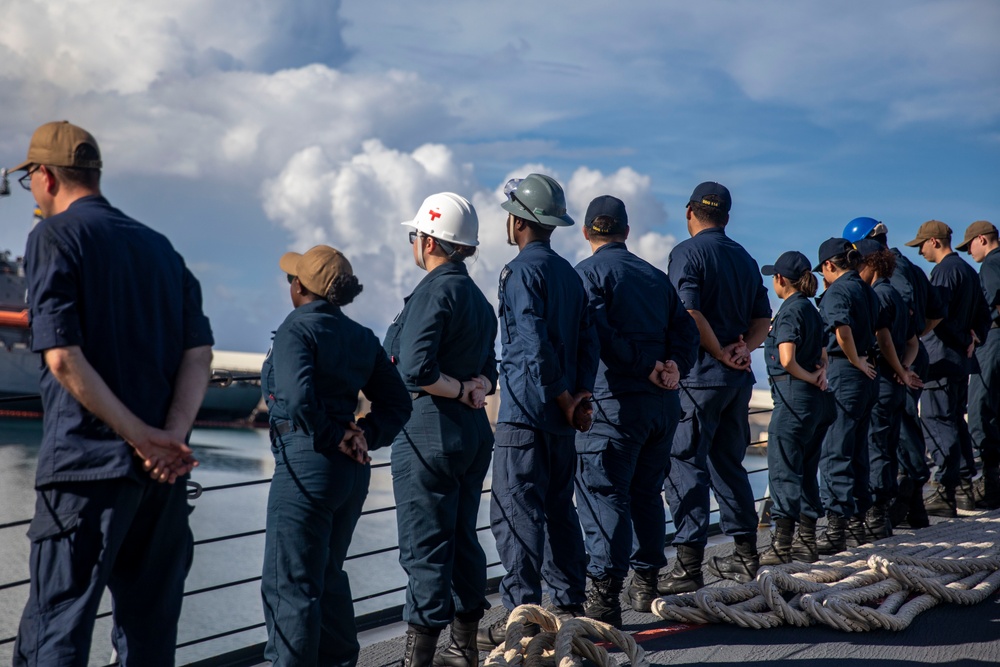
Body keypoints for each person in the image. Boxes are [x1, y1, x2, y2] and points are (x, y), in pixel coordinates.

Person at [10, 121, 214, 666]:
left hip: (84, 471)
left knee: (56, 629)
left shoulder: (52, 237)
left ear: (45, 176)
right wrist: (168, 438)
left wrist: (140, 438)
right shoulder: (162, 250)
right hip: (163, 482)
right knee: (149, 636)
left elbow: (61, 356)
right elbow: (200, 355)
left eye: (29, 177)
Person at [261, 245, 411, 667]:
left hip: (307, 465)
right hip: (350, 474)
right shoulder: (362, 337)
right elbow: (398, 403)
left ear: (299, 287)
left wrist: (332, 436)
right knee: (327, 577)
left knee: (289, 584)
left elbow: (296, 397)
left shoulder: (296, 329)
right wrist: (363, 434)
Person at [481, 173, 599, 649]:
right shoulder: (570, 275)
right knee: (558, 510)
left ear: (519, 220)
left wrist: (559, 395)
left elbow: (529, 344)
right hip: (562, 421)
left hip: (526, 416)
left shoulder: (518, 273)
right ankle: (569, 605)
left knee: (515, 513)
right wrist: (579, 398)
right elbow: (589, 344)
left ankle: (522, 616)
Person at [383, 193, 498, 667]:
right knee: (461, 537)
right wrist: (474, 388)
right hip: (471, 437)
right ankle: (463, 647)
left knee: (425, 545)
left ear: (429, 240)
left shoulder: (435, 291)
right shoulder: (477, 298)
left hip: (428, 434)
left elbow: (414, 369)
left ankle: (419, 659)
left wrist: (453, 390)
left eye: (416, 236)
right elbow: (491, 371)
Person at [572, 196, 698, 625]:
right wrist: (673, 366)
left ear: (587, 232)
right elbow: (686, 329)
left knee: (604, 495)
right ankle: (645, 584)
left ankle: (605, 599)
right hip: (663, 408)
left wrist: (646, 367)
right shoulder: (654, 277)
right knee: (646, 494)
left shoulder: (586, 275)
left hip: (615, 408)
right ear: (625, 232)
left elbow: (599, 333)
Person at [661, 182, 771, 592]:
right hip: (736, 382)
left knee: (685, 461)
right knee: (729, 464)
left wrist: (720, 352)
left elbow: (689, 311)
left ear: (690, 211)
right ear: (726, 217)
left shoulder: (687, 253)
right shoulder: (744, 257)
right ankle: (746, 555)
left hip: (699, 379)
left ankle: (688, 565)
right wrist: (743, 349)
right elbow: (764, 318)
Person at [842, 217, 942, 528]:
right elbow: (934, 314)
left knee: (893, 436)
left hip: (893, 367)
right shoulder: (910, 267)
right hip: (908, 359)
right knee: (899, 431)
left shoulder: (890, 278)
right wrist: (909, 352)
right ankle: (913, 508)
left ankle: (897, 505)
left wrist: (900, 364)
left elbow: (886, 329)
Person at [905, 221, 991, 517]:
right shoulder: (968, 270)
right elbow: (983, 311)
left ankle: (944, 489)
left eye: (922, 245)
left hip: (940, 360)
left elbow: (936, 315)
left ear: (935, 242)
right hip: (960, 361)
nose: (920, 251)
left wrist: (961, 339)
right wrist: (974, 337)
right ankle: (964, 488)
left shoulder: (943, 272)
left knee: (936, 420)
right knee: (955, 420)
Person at [758, 251, 833, 565]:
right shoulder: (811, 309)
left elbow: (787, 359)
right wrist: (819, 376)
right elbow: (825, 354)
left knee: (783, 471)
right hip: (817, 405)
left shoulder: (789, 311)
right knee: (805, 472)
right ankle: (807, 543)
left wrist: (806, 377)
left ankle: (782, 546)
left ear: (780, 280)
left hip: (793, 401)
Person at [813, 237, 879, 554]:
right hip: (866, 377)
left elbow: (842, 328)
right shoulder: (866, 289)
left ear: (829, 265)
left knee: (836, 450)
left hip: (845, 372)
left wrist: (853, 359)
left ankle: (838, 528)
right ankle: (859, 523)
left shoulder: (838, 290)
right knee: (857, 452)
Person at [855, 238, 923, 539]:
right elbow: (913, 342)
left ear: (870, 264)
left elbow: (882, 341)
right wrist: (906, 368)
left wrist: (898, 370)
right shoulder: (895, 294)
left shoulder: (878, 296)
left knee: (876, 447)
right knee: (889, 445)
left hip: (881, 382)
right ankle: (884, 512)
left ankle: (876, 515)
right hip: (895, 385)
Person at [956, 220, 1000, 509]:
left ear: (982, 239)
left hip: (993, 337)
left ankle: (989, 482)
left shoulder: (991, 265)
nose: (968, 250)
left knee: (980, 407)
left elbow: (989, 300)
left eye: (969, 244)